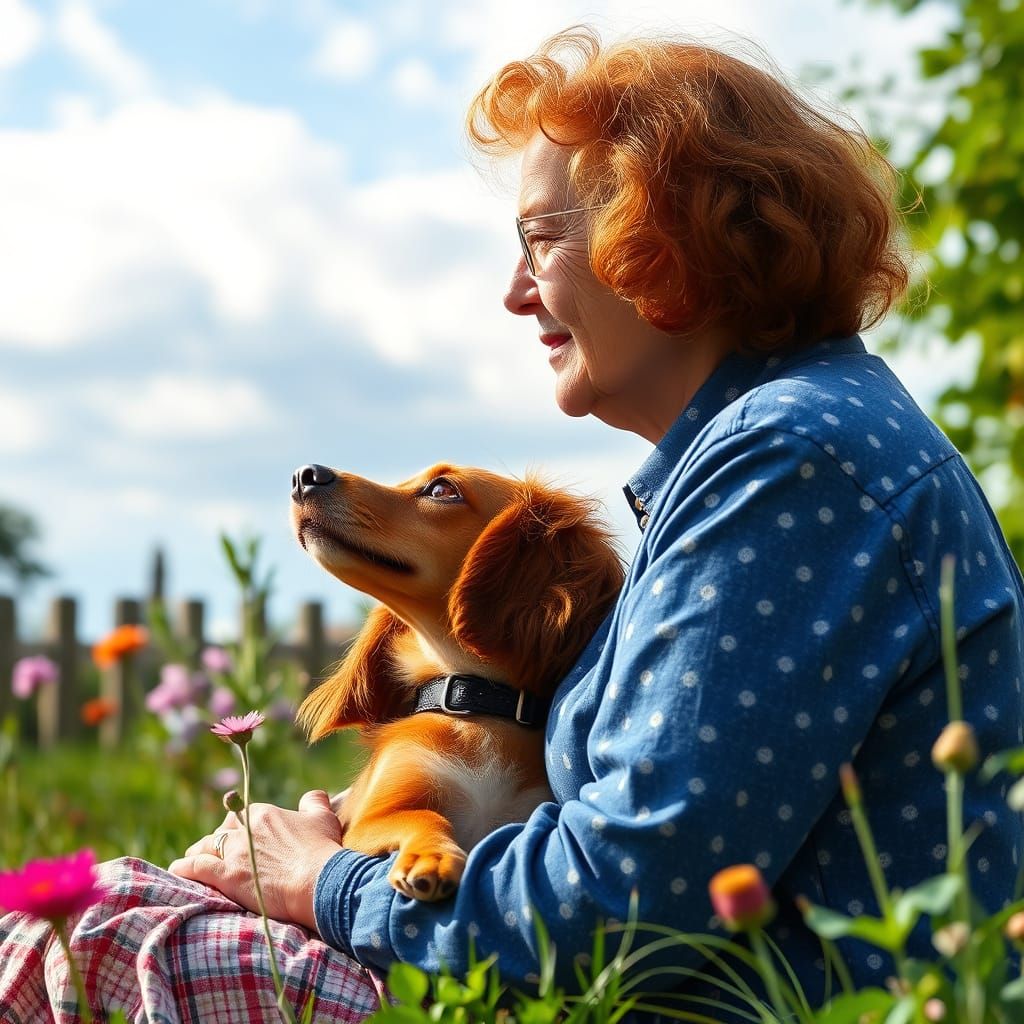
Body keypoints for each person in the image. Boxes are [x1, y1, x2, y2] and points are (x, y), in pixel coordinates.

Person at [3, 25, 1023, 1023]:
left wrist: (324, 886)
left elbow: (627, 891)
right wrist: (354, 849)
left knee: (87, 937)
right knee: (114, 903)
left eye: (541, 240)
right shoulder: (783, 446)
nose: (513, 292)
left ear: (663, 238)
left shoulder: (790, 461)